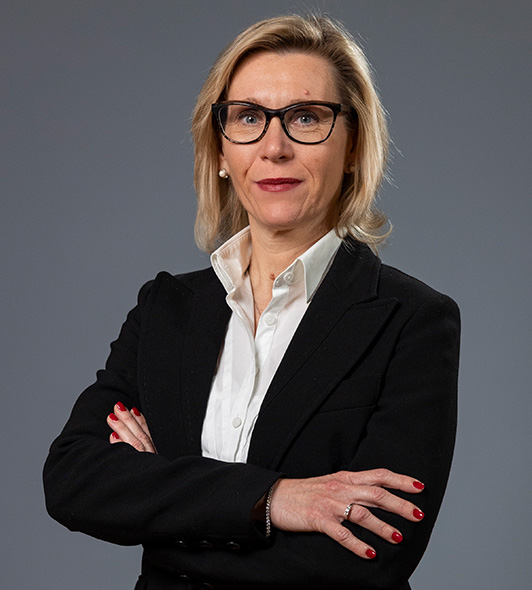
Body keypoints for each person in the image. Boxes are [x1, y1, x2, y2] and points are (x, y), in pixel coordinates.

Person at [43, 14, 460, 590]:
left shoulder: (413, 321)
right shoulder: (166, 309)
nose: (274, 147)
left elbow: (366, 556)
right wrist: (272, 500)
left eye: (306, 118)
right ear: (219, 148)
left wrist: (161, 514)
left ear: (353, 146)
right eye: (247, 118)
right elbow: (72, 479)